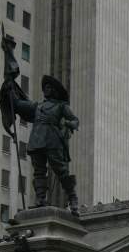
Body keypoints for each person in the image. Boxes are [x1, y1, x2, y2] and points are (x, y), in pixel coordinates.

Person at [7, 75, 80, 215]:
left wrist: (67, 123)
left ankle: (72, 197)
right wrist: (10, 89)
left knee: (61, 170)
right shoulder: (37, 106)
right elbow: (18, 105)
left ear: (54, 90)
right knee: (39, 172)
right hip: (37, 141)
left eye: (48, 87)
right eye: (45, 87)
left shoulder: (61, 106)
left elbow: (75, 121)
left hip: (53, 140)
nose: (45, 90)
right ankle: (40, 199)